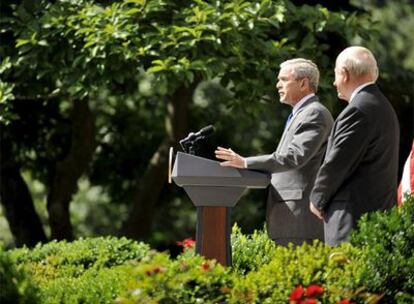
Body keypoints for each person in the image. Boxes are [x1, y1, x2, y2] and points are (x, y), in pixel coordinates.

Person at [215, 58, 334, 246]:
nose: (278, 85)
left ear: (303, 83)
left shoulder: (314, 113)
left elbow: (294, 157)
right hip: (289, 216)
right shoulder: (301, 113)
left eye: (284, 79)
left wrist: (245, 162)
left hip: (298, 220)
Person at [309, 46, 400, 245]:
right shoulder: (382, 106)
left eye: (335, 74)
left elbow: (337, 162)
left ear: (345, 73)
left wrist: (317, 199)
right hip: (374, 218)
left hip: (352, 221)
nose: (333, 82)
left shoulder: (359, 109)